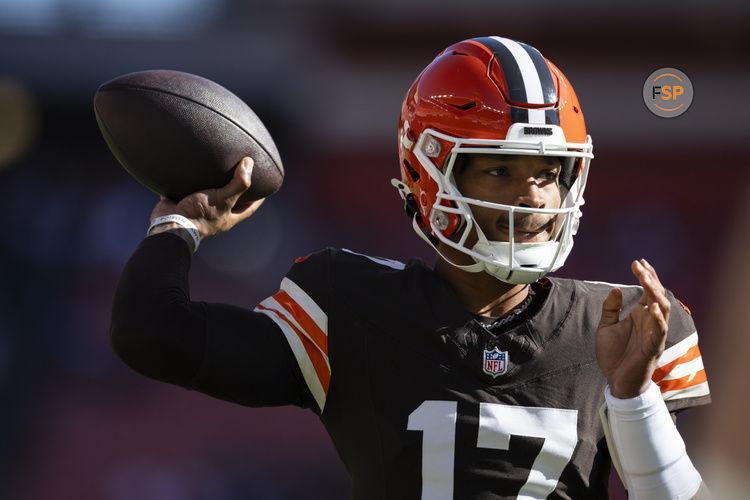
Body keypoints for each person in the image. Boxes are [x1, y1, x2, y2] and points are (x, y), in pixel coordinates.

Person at [111, 36, 711, 499]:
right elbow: (153, 335)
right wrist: (180, 227)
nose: (533, 198)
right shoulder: (348, 304)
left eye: (548, 173)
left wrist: (632, 397)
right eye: (500, 170)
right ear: (431, 177)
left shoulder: (624, 323)